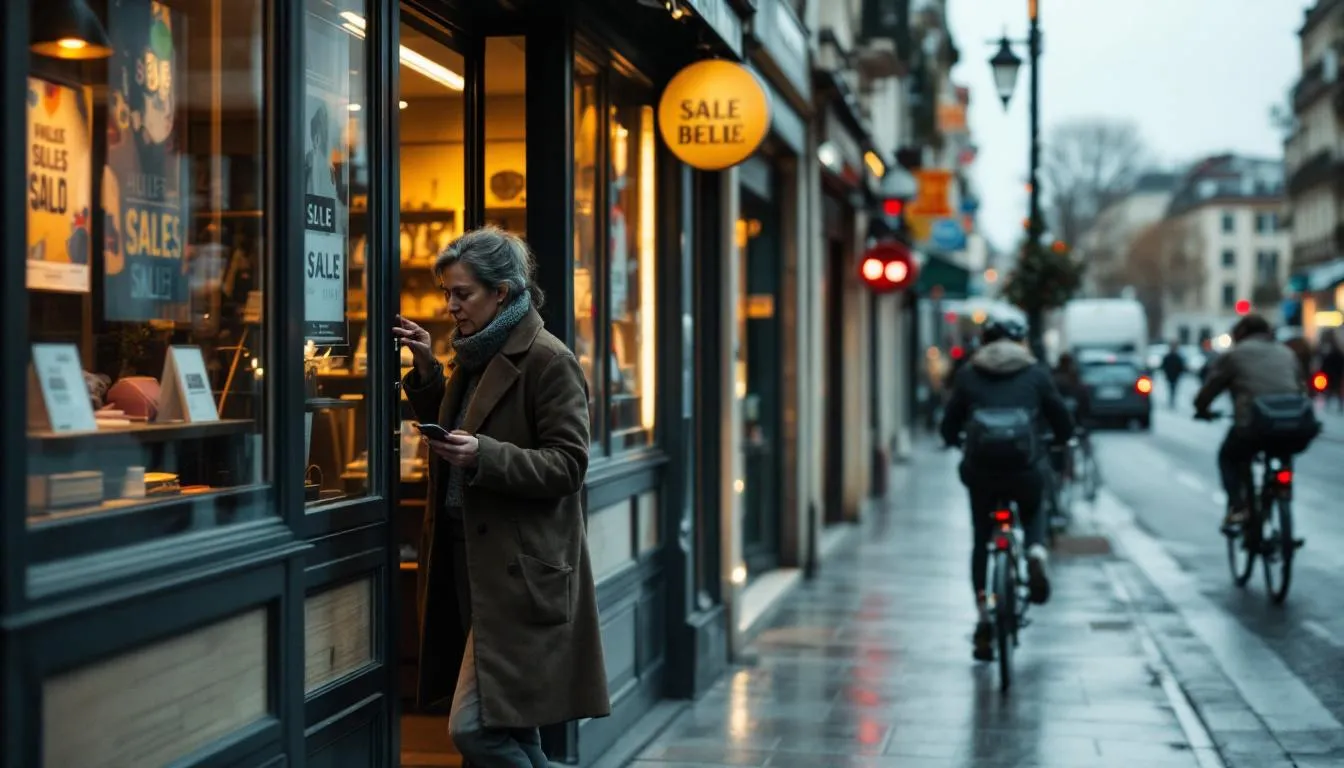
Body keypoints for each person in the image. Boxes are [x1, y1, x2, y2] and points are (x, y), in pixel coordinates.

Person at [394, 226, 610, 767]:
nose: (450, 307)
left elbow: (569, 465)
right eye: (447, 293)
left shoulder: (548, 360)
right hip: (469, 561)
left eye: (462, 293)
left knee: (474, 730)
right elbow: (461, 426)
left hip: (518, 573)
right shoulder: (473, 356)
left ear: (504, 292)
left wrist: (484, 456)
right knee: (513, 724)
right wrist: (424, 373)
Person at [940, 319, 1074, 661]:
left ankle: (984, 617)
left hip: (981, 470)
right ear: (1021, 343)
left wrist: (953, 440)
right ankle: (1034, 552)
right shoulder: (1035, 373)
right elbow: (1061, 418)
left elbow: (948, 423)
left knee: (981, 537)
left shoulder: (969, 373)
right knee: (1032, 508)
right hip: (1022, 468)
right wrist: (1060, 439)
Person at [1193, 314, 1307, 531]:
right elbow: (1301, 388)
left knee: (1228, 456)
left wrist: (1201, 409)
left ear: (1241, 333)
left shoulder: (1235, 355)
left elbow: (1211, 388)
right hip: (1295, 425)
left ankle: (1237, 507)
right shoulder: (1286, 352)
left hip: (1253, 425)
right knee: (1283, 452)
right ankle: (1281, 497)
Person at [1160, 342, 1186, 409]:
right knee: (1171, 389)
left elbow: (1181, 367)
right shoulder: (1170, 357)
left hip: (1174, 376)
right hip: (1171, 375)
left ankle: (1172, 401)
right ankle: (1171, 401)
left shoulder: (1176, 357)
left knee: (1172, 389)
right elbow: (1163, 366)